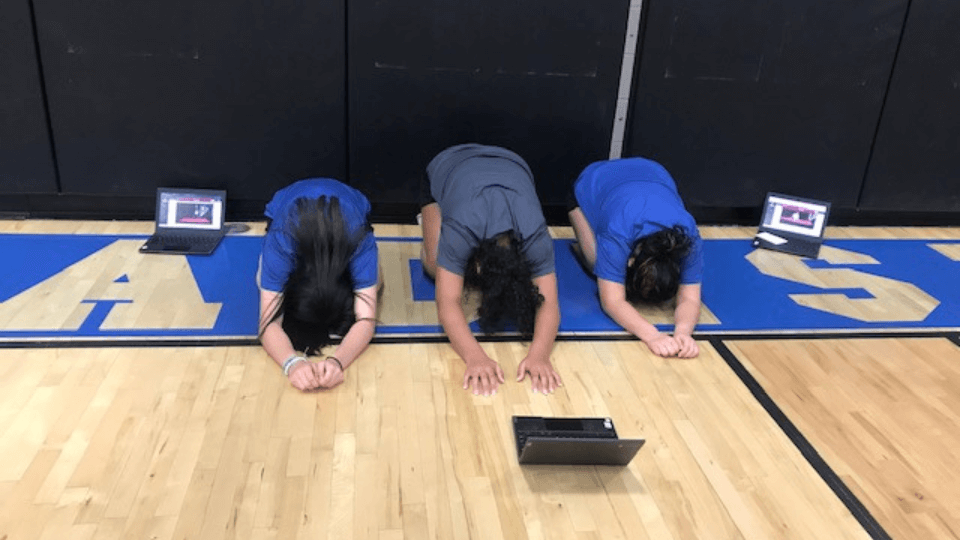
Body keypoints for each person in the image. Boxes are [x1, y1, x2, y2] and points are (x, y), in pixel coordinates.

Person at [420, 144, 562, 396]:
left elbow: (549, 302)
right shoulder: (463, 229)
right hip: (448, 162)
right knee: (435, 266)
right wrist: (474, 356)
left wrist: (539, 356)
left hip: (514, 162)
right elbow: (447, 303)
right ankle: (431, 215)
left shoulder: (535, 237)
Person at [568, 157, 703, 358]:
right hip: (594, 178)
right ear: (630, 260)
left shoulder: (689, 236)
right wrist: (652, 336)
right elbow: (612, 301)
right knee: (597, 263)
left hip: (652, 172)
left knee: (608, 267)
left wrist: (684, 333)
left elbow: (690, 298)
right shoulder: (618, 232)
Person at [258, 178, 379, 391]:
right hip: (284, 207)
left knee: (377, 284)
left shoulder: (359, 237)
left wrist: (338, 362)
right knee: (261, 280)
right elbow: (267, 323)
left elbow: (367, 320)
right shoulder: (281, 239)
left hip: (352, 207)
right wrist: (291, 363)